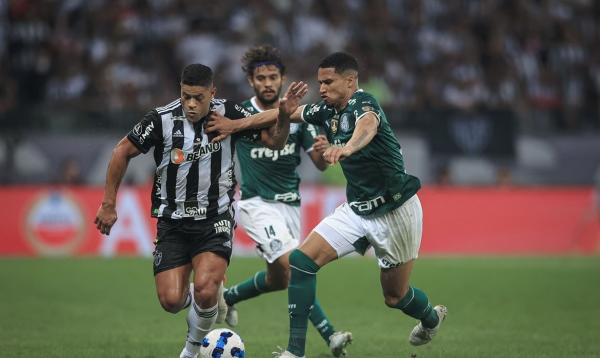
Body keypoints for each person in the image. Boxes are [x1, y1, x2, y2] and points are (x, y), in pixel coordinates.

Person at [207, 52, 447, 358]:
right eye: (319, 81)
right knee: (301, 262)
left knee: (395, 296)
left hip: (395, 211)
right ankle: (295, 352)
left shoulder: (365, 103)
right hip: (358, 209)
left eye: (328, 82)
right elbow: (276, 116)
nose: (321, 87)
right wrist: (235, 124)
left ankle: (430, 319)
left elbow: (368, 127)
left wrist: (346, 147)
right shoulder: (325, 110)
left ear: (349, 81)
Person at [94, 63, 307, 358]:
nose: (192, 104)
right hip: (172, 222)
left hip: (214, 218)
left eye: (198, 97)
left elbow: (274, 141)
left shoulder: (230, 112)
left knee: (206, 288)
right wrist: (108, 203)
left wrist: (283, 115)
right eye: (186, 96)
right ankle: (208, 296)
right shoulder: (161, 119)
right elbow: (122, 151)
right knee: (170, 300)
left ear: (212, 93)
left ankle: (191, 352)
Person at [220, 45, 352, 357]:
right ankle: (329, 335)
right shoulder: (242, 114)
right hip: (256, 204)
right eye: (261, 77)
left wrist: (323, 148)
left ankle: (230, 297)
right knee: (296, 269)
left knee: (278, 278)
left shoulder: (300, 116)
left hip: (291, 205)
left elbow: (319, 163)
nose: (267, 82)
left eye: (273, 77)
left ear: (282, 79)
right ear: (251, 82)